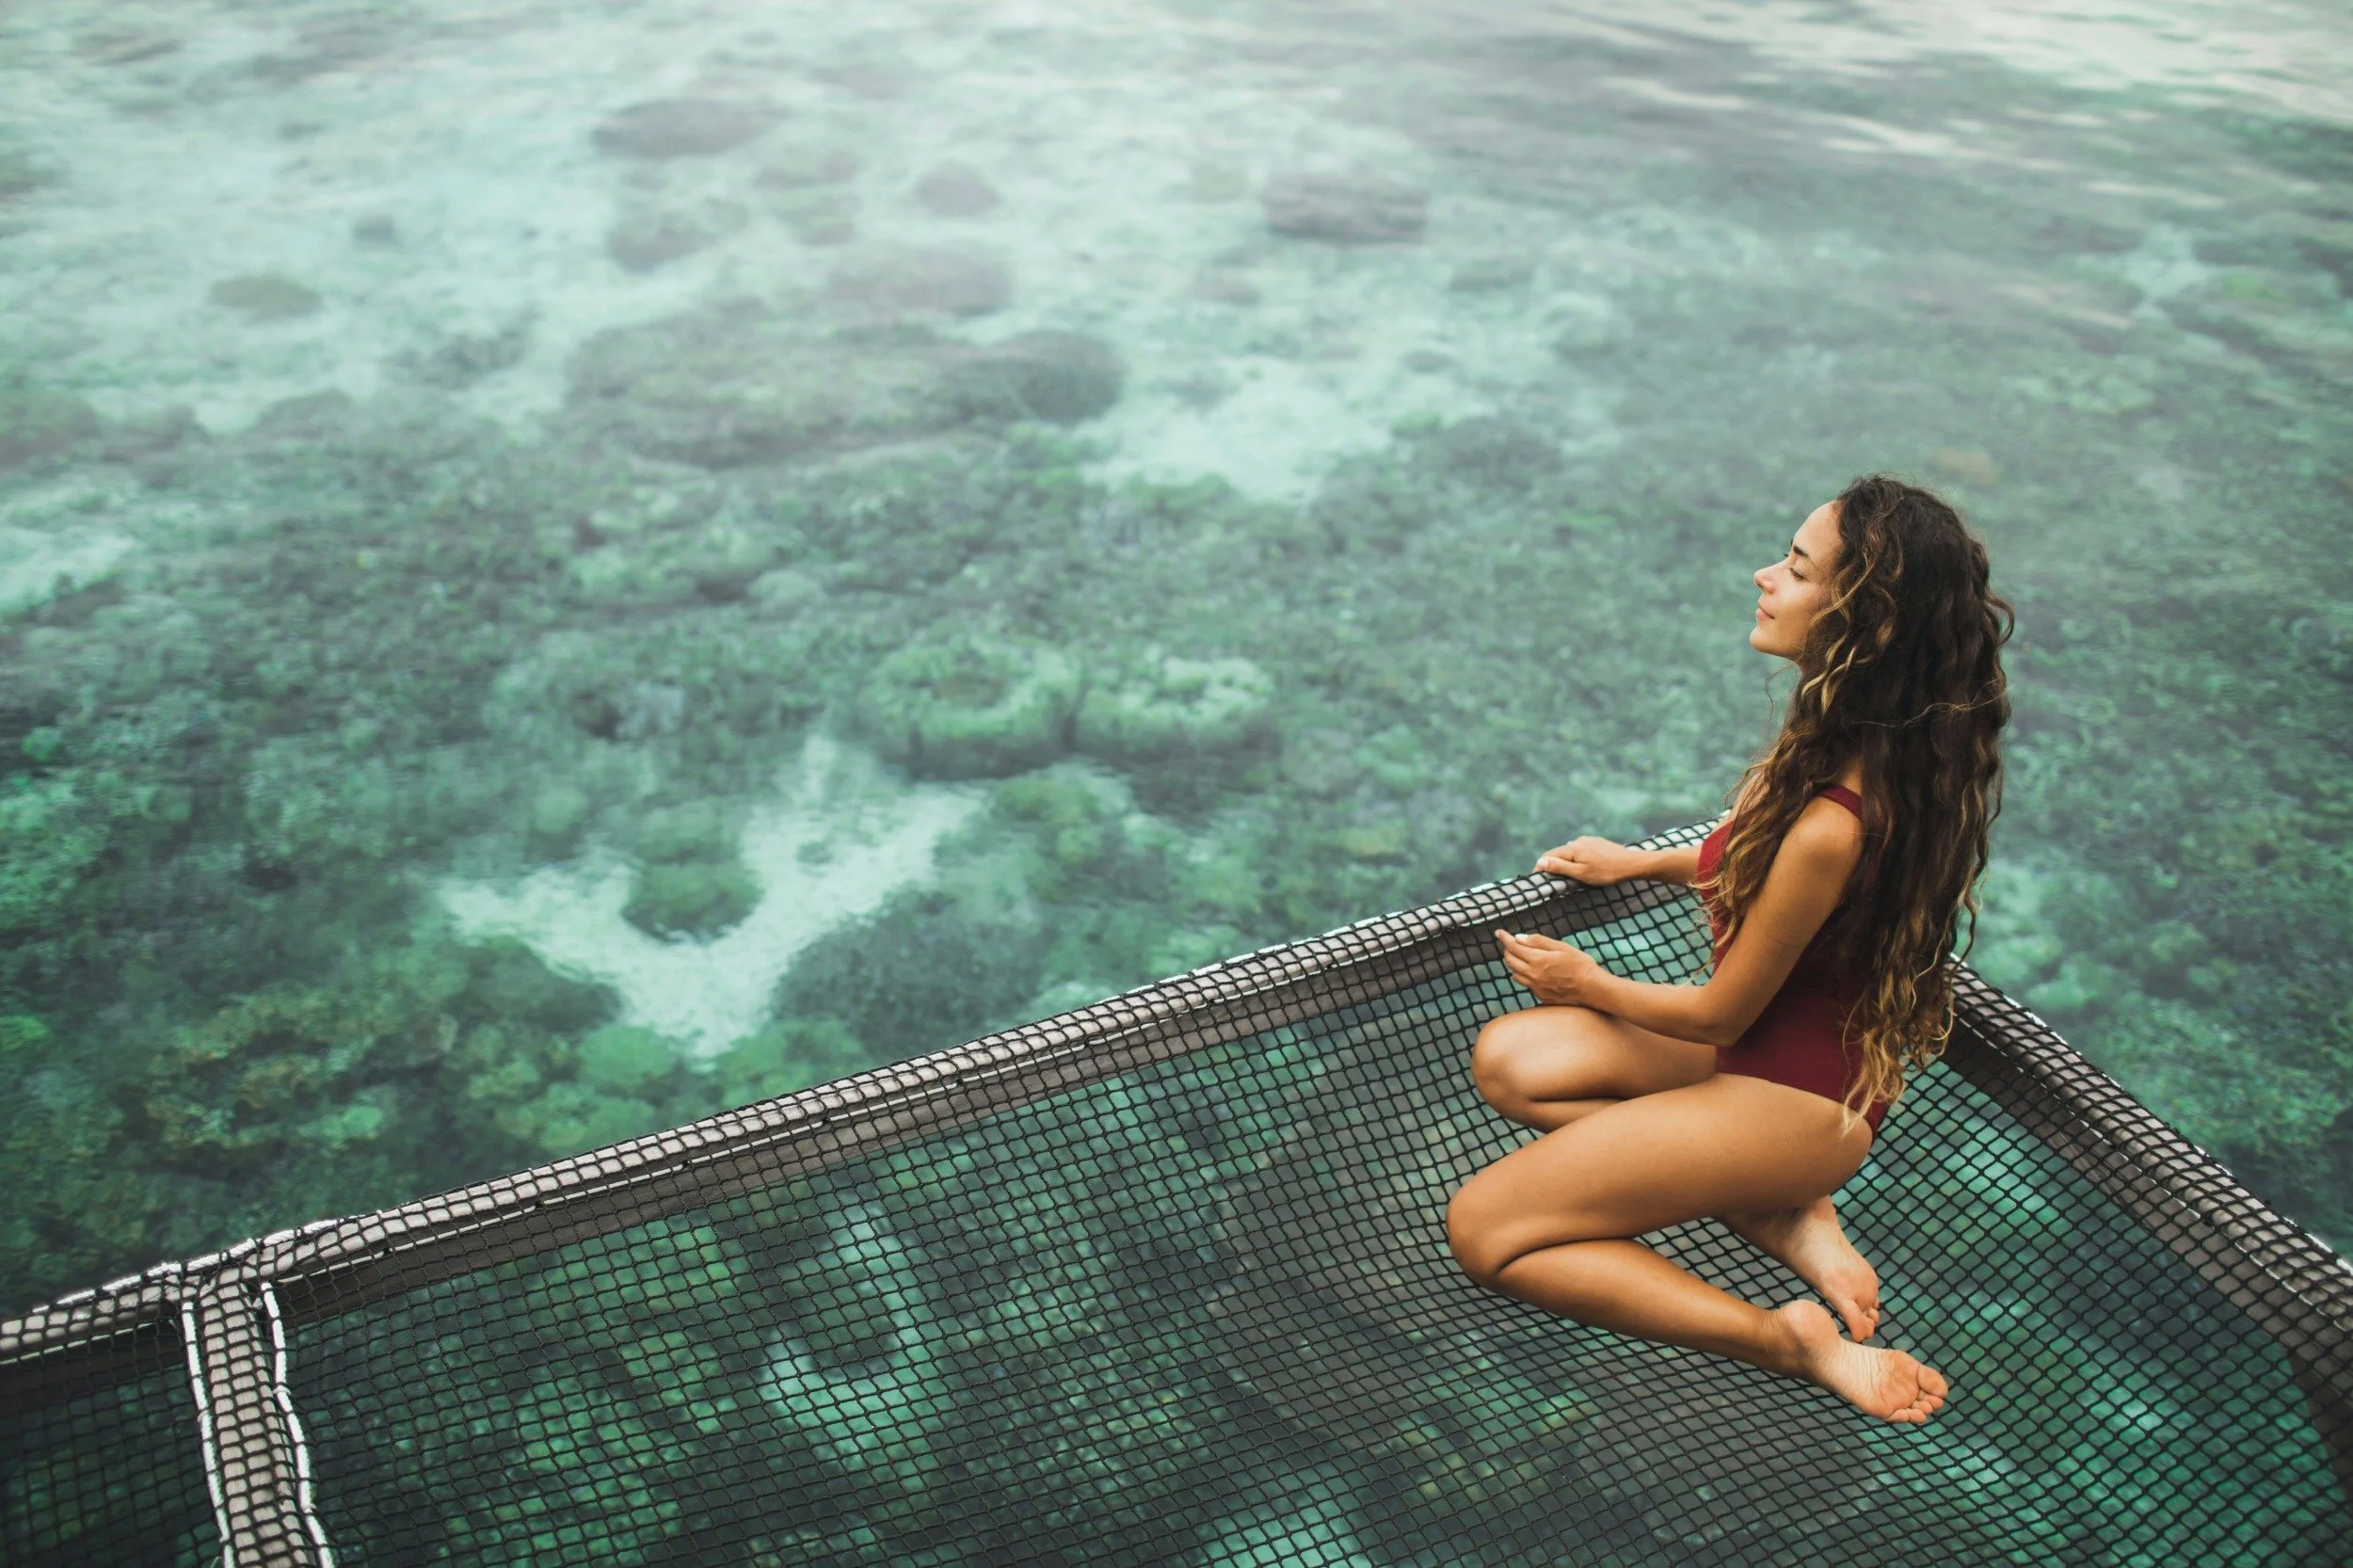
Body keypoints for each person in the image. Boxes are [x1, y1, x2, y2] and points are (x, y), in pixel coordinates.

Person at [1446, 472, 2011, 1424]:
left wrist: (1584, 979)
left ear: (1858, 622)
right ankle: (1784, 1216)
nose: (1763, 576)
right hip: (1781, 1057)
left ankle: (1785, 1339)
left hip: (1793, 1099)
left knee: (1487, 1230)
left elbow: (1718, 1013)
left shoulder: (1835, 821)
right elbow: (1758, 871)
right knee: (1513, 1059)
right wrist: (1640, 862)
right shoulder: (1851, 736)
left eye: (1793, 568)